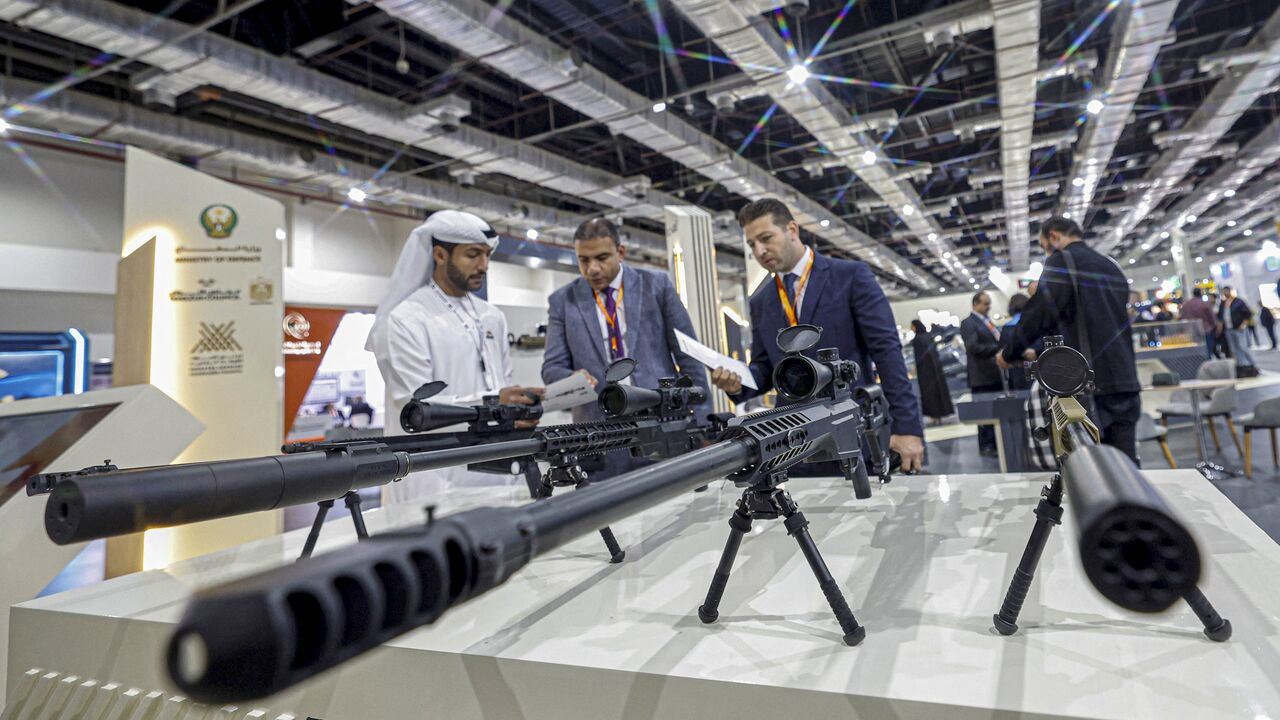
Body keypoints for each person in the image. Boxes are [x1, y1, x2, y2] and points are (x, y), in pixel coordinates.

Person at [707, 199, 925, 472]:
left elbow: (887, 353)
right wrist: (737, 384)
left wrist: (907, 427)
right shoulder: (761, 300)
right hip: (791, 444)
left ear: (792, 230)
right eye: (752, 245)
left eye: (766, 238)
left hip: (851, 432)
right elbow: (766, 369)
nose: (759, 251)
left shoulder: (850, 276)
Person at [367, 210, 542, 504]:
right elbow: (414, 405)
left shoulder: (492, 317)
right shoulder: (405, 319)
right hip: (433, 474)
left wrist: (518, 410)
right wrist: (494, 403)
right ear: (440, 255)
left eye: (487, 255)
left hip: (497, 466)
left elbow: (501, 383)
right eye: (472, 255)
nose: (483, 265)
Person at [542, 217, 711, 480]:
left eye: (601, 257)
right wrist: (572, 379)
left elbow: (689, 357)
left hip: (662, 424)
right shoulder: (562, 301)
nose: (592, 268)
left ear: (620, 252)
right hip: (598, 435)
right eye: (583, 260)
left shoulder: (657, 285)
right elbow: (551, 367)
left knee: (674, 512)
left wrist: (701, 423)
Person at [997, 218, 1142, 462]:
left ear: (1054, 237)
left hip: (1088, 382)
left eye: (1044, 246)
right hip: (1125, 378)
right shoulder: (1110, 266)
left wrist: (1009, 353)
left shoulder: (1062, 262)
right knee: (1127, 466)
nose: (1046, 253)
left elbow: (1038, 314)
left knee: (1093, 471)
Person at [961, 291, 1004, 457]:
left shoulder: (987, 322)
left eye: (989, 303)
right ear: (975, 304)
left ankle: (995, 443)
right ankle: (986, 446)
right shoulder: (968, 323)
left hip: (993, 374)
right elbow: (973, 347)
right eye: (985, 304)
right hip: (981, 376)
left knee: (995, 411)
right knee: (985, 414)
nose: (988, 307)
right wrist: (999, 350)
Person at [909, 320, 954, 425]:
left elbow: (919, 358)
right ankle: (940, 415)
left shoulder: (917, 340)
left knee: (929, 395)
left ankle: (934, 416)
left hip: (925, 373)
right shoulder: (929, 337)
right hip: (936, 372)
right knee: (939, 392)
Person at [999, 293, 1034, 390]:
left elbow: (1003, 350)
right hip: (1037, 366)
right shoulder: (1034, 324)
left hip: (1017, 369)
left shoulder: (1007, 327)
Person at [1222, 286, 1256, 370]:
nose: (1225, 293)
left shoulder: (1238, 302)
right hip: (1229, 329)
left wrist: (1243, 324)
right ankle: (1242, 365)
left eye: (1227, 291)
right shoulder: (1223, 303)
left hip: (1239, 328)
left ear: (1230, 291)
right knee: (1234, 349)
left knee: (1243, 347)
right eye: (1224, 292)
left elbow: (1248, 313)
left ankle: (1252, 364)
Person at [1180, 291, 1219, 358]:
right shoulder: (1204, 304)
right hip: (1205, 330)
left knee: (1195, 350)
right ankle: (1207, 363)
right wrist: (1214, 327)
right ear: (1200, 294)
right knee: (1207, 350)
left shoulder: (1186, 305)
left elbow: (1182, 317)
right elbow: (1212, 318)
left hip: (1191, 331)